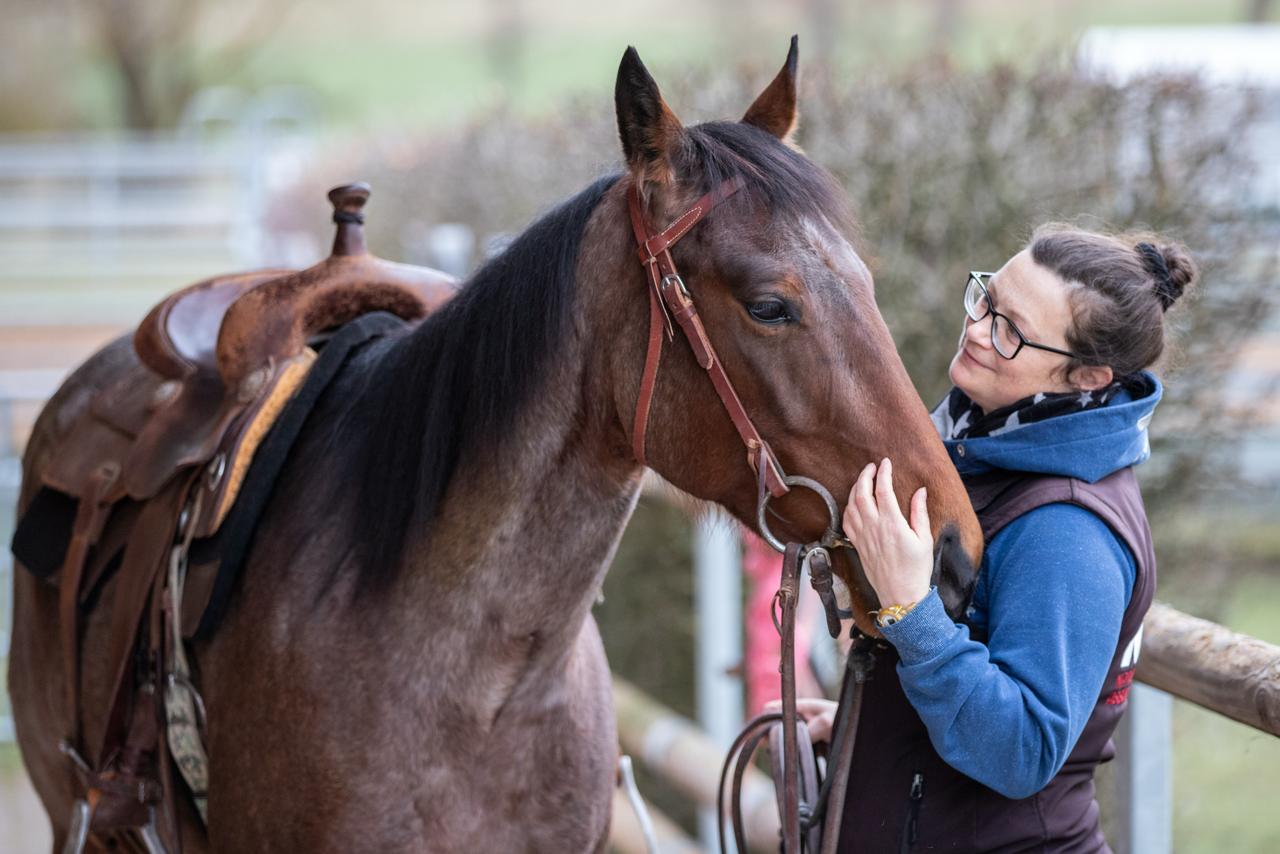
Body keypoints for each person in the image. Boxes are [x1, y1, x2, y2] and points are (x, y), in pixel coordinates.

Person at [798, 224, 1196, 852]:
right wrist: (868, 727)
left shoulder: (1071, 529)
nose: (978, 329)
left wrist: (910, 607)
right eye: (987, 299)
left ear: (1086, 378)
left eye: (1010, 331)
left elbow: (1023, 749)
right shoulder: (978, 442)